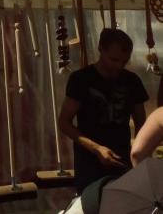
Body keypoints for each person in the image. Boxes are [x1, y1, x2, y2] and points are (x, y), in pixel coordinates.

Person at [59, 28, 148, 192]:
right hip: (89, 164)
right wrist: (97, 149)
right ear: (100, 49)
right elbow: (64, 123)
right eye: (114, 60)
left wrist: (138, 152)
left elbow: (142, 124)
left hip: (123, 162)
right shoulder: (81, 80)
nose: (119, 66)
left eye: (124, 61)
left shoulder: (132, 81)